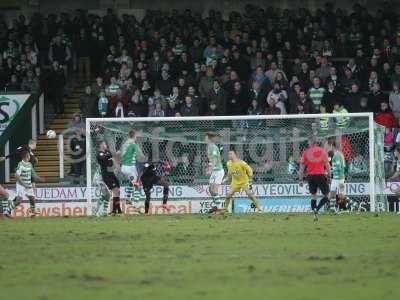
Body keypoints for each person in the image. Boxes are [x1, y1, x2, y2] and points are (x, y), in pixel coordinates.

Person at [299, 136, 331, 221]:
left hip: (310, 176)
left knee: (313, 196)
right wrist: (329, 176)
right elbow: (327, 165)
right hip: (320, 175)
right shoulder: (322, 151)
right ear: (316, 142)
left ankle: (315, 214)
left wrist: (300, 179)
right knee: (328, 195)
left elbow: (302, 167)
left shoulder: (305, 152)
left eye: (308, 142)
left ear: (310, 143)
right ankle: (318, 209)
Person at [221, 149, 262, 213]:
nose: (229, 155)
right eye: (228, 154)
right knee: (228, 195)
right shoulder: (228, 163)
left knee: (250, 194)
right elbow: (230, 172)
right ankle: (225, 209)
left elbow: (250, 170)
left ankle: (259, 208)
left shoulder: (241, 163)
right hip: (235, 183)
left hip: (244, 182)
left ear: (235, 155)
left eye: (231, 154)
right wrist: (226, 179)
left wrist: (250, 179)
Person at [15, 150, 44, 217]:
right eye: (29, 156)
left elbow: (33, 174)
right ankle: (7, 209)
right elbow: (16, 176)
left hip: (28, 184)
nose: (30, 157)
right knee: (18, 201)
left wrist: (40, 178)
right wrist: (23, 184)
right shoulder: (20, 164)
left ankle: (33, 212)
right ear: (26, 156)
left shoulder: (29, 164)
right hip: (21, 185)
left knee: (32, 198)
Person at [120, 130, 145, 206]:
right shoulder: (133, 144)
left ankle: (128, 198)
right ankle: (136, 204)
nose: (136, 137)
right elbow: (141, 154)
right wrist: (145, 158)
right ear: (134, 136)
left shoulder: (124, 144)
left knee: (132, 182)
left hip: (124, 167)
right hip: (129, 167)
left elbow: (121, 154)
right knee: (137, 183)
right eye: (136, 136)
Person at [96, 141, 121, 215]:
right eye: (104, 144)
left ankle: (116, 210)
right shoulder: (99, 154)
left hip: (111, 173)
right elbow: (104, 158)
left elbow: (112, 155)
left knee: (117, 191)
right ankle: (115, 211)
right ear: (101, 145)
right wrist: (111, 156)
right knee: (114, 191)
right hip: (106, 175)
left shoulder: (107, 151)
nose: (105, 145)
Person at [205, 132, 225, 212]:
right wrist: (209, 168)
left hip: (218, 171)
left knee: (214, 189)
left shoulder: (213, 147)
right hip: (214, 171)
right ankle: (216, 206)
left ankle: (218, 208)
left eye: (205, 137)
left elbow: (214, 159)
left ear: (208, 138)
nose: (204, 139)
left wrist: (210, 169)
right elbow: (211, 160)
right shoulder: (209, 146)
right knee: (210, 189)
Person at [328, 140, 347, 212]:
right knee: (335, 193)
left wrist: (331, 171)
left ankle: (344, 208)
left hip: (338, 177)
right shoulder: (340, 154)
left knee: (339, 194)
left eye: (330, 146)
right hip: (338, 177)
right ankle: (336, 208)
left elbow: (339, 167)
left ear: (332, 146)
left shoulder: (336, 155)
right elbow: (343, 166)